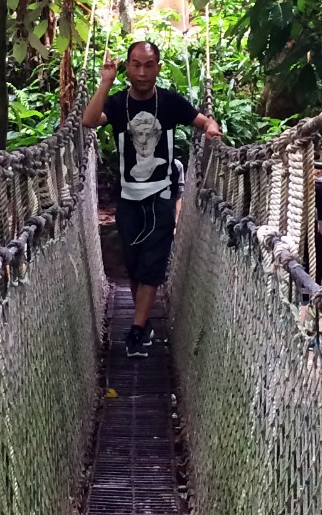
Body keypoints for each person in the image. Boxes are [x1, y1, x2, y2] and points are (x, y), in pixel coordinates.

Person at [82, 40, 222, 354]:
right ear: (127, 67)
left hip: (161, 196)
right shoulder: (118, 104)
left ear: (158, 68)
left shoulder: (170, 102)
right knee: (134, 265)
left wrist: (211, 127)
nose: (142, 72)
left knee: (152, 264)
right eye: (135, 64)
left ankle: (137, 329)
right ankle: (141, 323)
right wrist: (105, 81)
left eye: (148, 65)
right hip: (128, 200)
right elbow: (89, 121)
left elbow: (201, 120)